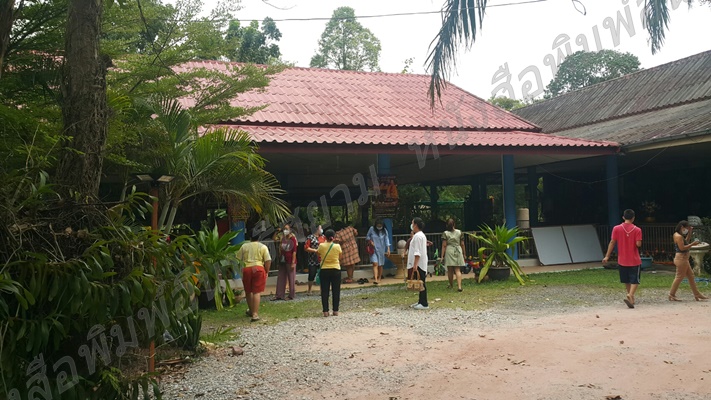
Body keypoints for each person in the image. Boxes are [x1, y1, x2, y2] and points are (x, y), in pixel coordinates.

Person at [603, 209, 642, 309]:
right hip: (634, 259)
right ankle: (631, 295)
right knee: (635, 279)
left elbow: (612, 242)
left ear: (623, 217)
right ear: (633, 218)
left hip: (622, 259)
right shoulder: (637, 230)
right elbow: (638, 244)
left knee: (626, 279)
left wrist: (607, 256)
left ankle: (630, 297)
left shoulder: (616, 228)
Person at [235, 227, 271, 322]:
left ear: (249, 237)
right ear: (259, 236)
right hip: (258, 268)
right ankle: (255, 314)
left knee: (248, 291)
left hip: (247, 269)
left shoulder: (244, 246)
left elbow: (237, 259)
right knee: (256, 292)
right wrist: (266, 271)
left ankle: (251, 310)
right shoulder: (263, 247)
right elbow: (267, 260)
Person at [668, 220, 708, 301]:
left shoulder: (679, 235)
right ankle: (671, 294)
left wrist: (690, 232)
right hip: (681, 259)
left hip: (683, 259)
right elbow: (682, 247)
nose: (686, 230)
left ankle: (697, 294)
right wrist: (693, 244)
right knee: (679, 276)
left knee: (691, 276)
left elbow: (686, 242)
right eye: (686, 228)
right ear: (682, 227)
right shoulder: (678, 236)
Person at [317, 229, 343, 317]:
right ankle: (335, 310)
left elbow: (318, 254)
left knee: (324, 291)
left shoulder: (321, 246)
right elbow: (340, 257)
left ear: (325, 237)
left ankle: (325, 311)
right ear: (334, 237)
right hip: (335, 269)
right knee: (336, 291)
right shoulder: (337, 246)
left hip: (324, 269)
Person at [407, 217, 429, 310]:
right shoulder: (419, 235)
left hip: (419, 263)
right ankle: (420, 301)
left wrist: (415, 264)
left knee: (422, 282)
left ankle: (424, 303)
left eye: (412, 223)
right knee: (420, 282)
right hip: (420, 262)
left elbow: (417, 252)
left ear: (415, 225)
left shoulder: (418, 236)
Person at [273, 223, 297, 301]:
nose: (285, 231)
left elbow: (294, 251)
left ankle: (291, 295)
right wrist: (276, 232)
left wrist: (293, 262)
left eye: (287, 229)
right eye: (284, 229)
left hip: (290, 260)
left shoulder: (292, 238)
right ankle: (279, 294)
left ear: (290, 230)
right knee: (281, 277)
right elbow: (274, 239)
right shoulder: (282, 238)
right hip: (283, 260)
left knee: (291, 277)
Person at [442, 218, 466, 292]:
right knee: (457, 269)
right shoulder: (459, 232)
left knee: (450, 270)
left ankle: (451, 285)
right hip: (458, 250)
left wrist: (442, 256)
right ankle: (459, 286)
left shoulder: (445, 233)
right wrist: (464, 253)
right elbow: (462, 244)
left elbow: (444, 245)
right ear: (454, 224)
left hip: (449, 250)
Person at [366, 218, 391, 285]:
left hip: (381, 249)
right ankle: (376, 279)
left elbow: (387, 239)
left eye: (380, 226)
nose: (379, 227)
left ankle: (379, 277)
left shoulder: (384, 231)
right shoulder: (372, 229)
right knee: (375, 263)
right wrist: (370, 241)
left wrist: (388, 249)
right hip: (373, 249)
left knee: (380, 264)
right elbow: (367, 236)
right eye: (378, 226)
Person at [304, 224, 326, 295]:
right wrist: (315, 250)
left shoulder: (323, 237)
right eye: (320, 228)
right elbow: (306, 248)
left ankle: (322, 290)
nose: (321, 230)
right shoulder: (310, 237)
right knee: (312, 274)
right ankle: (309, 290)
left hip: (321, 259)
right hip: (312, 259)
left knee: (322, 275)